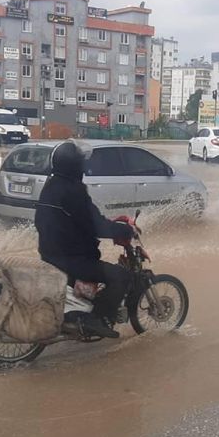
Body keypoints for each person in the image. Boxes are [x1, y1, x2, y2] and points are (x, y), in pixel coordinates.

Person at [35, 141, 135, 339]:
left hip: (50, 254)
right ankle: (99, 320)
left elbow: (81, 222)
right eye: (80, 162)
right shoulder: (74, 191)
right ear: (74, 166)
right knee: (122, 276)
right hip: (71, 259)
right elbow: (94, 224)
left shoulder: (51, 185)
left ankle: (82, 312)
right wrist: (124, 231)